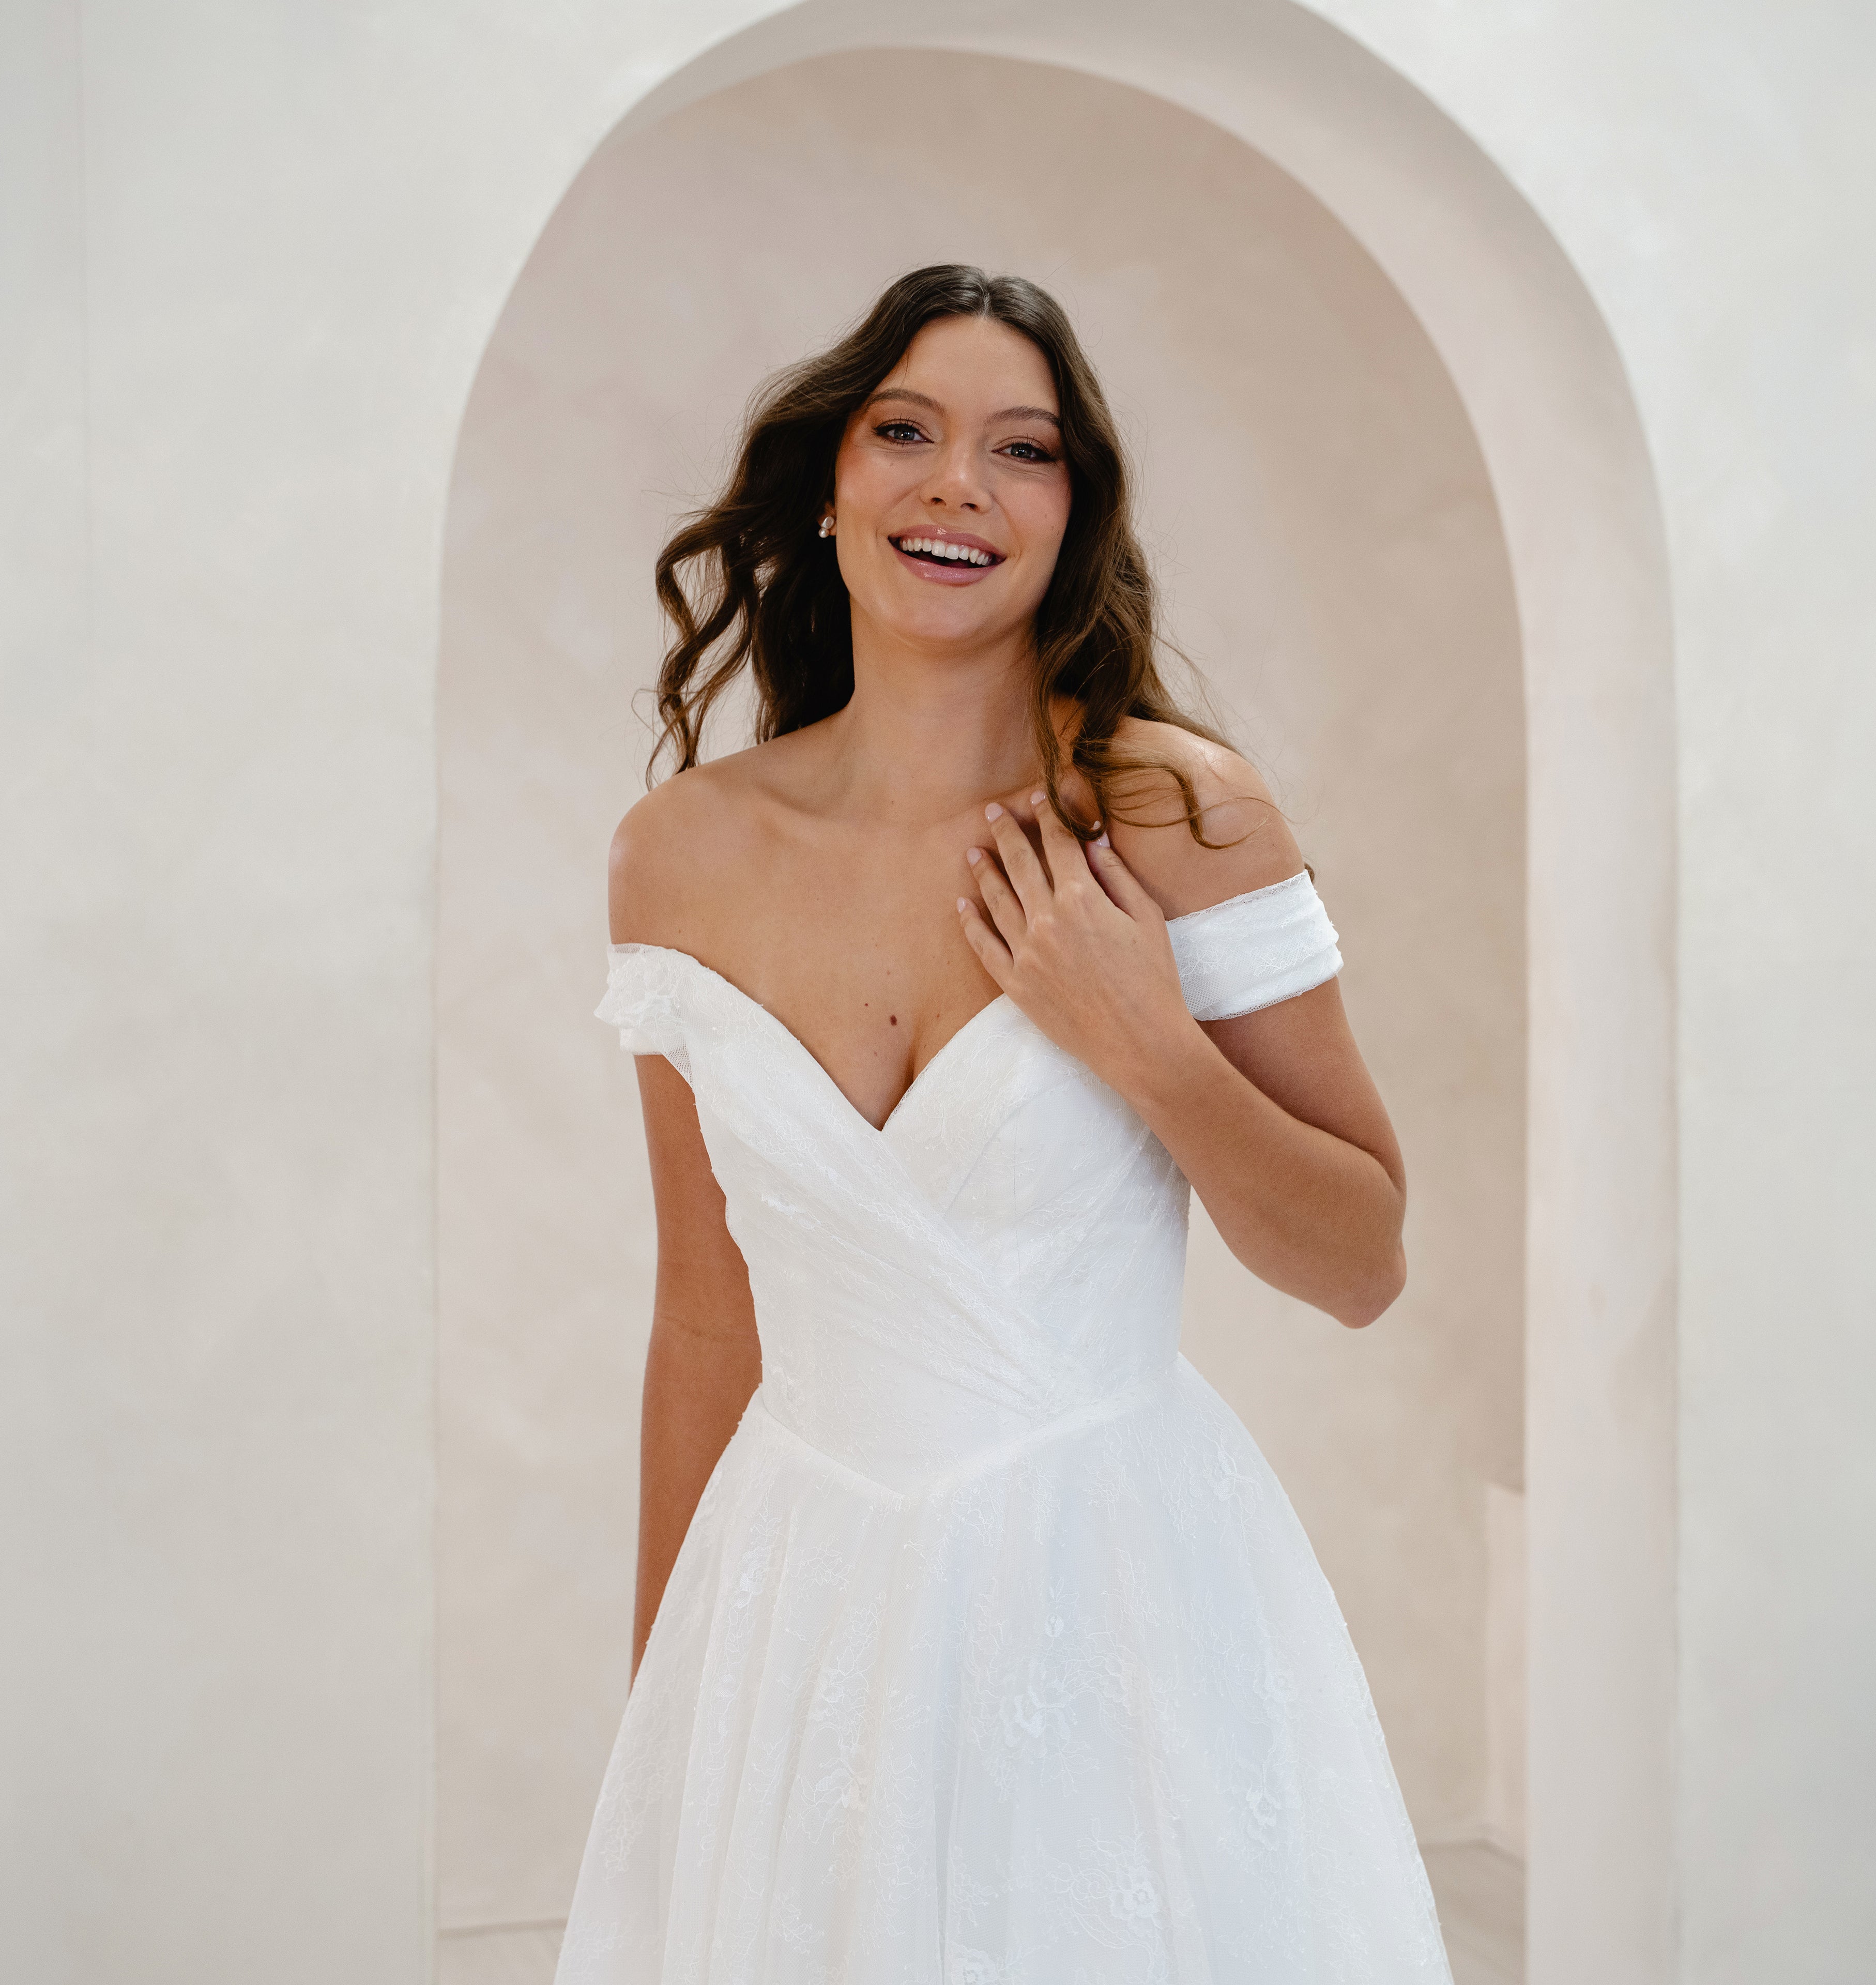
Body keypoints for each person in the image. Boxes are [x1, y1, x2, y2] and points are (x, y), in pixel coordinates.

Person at [559, 265, 1452, 1983]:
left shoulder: (1176, 813)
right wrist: (672, 1710)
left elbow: (1362, 1261)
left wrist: (1148, 1044)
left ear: (1073, 512)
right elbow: (702, 1312)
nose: (956, 482)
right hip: (799, 1598)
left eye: (1020, 448)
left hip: (1113, 1606)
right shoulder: (673, 855)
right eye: (907, 430)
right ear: (830, 486)